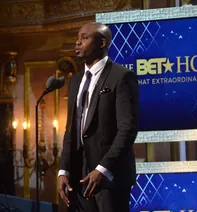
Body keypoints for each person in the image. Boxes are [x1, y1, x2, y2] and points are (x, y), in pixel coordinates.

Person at [58, 22, 139, 212]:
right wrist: (63, 170)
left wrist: (102, 169)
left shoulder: (122, 77)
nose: (77, 43)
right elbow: (71, 129)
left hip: (109, 178)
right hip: (78, 178)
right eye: (77, 38)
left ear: (102, 43)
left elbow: (127, 129)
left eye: (84, 38)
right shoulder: (76, 81)